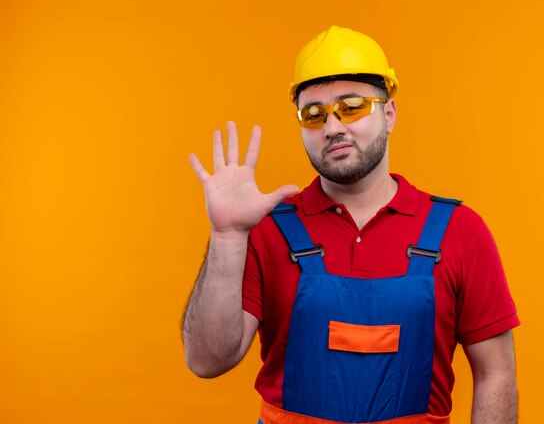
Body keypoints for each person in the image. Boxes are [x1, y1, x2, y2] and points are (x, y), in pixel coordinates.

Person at [183, 25, 520, 424]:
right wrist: (226, 236)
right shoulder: (265, 230)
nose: (332, 127)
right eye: (314, 115)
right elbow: (207, 360)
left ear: (389, 113)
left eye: (352, 106)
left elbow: (496, 373)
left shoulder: (460, 231)